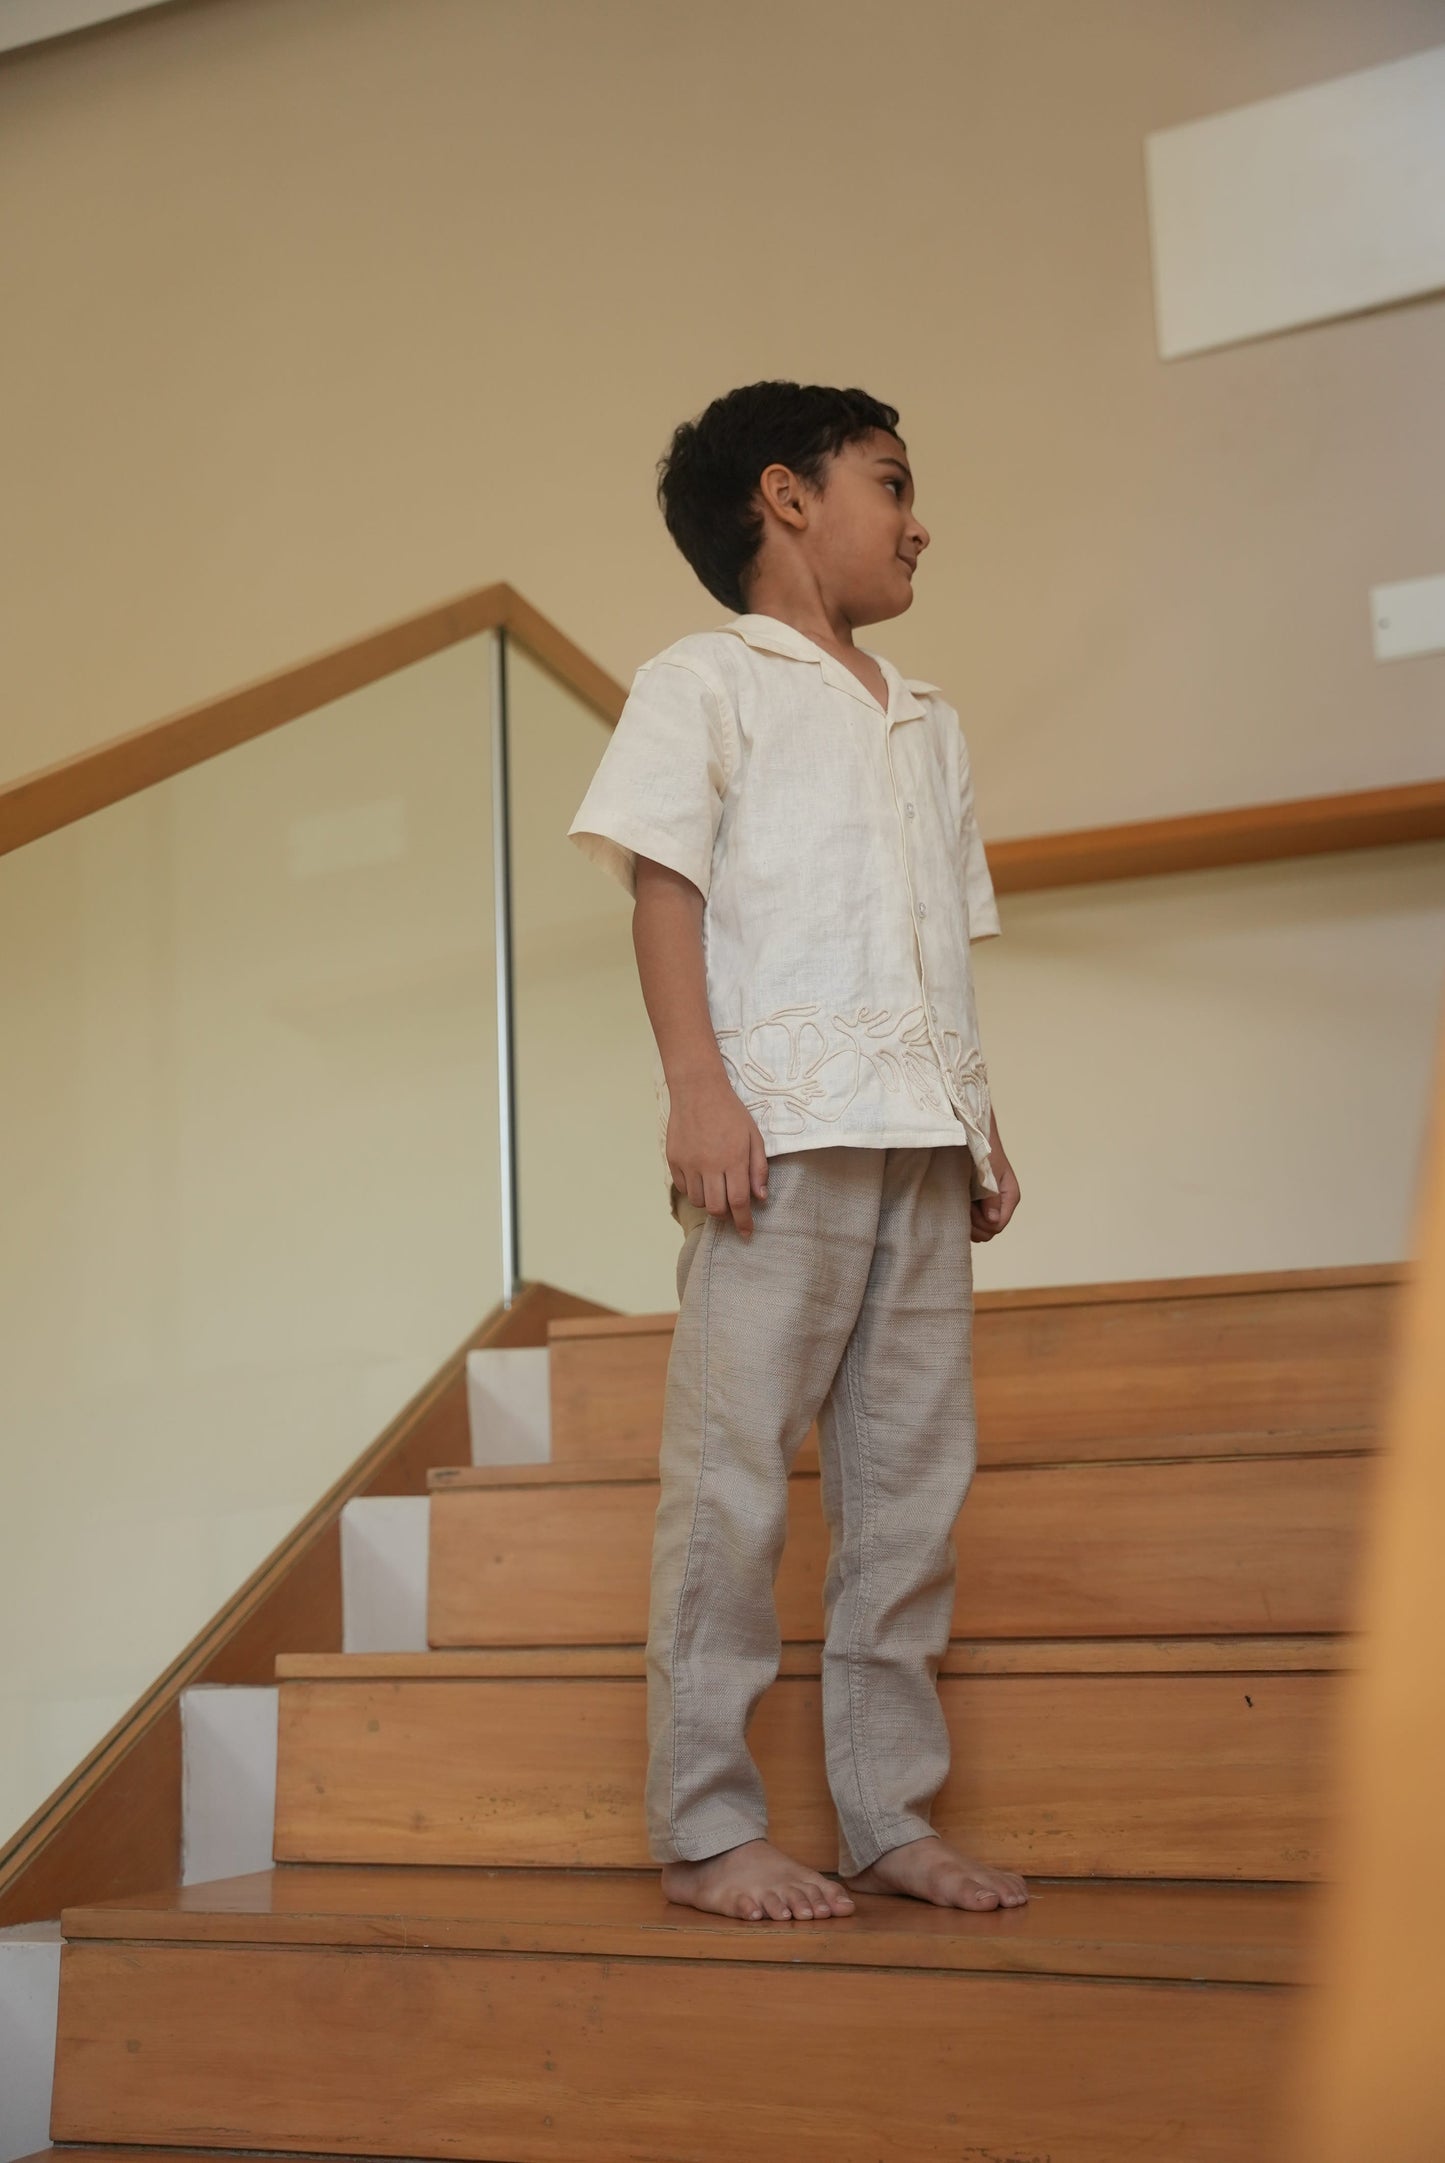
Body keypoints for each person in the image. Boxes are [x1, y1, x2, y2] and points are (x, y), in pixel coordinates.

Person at [568, 380, 1028, 1924]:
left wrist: (978, 1117)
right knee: (734, 1485)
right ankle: (704, 1826)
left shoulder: (927, 718)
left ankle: (885, 1809)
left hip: (916, 1139)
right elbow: (662, 890)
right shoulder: (706, 680)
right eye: (888, 482)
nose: (917, 520)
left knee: (908, 1492)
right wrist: (697, 1090)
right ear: (784, 496)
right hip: (774, 1138)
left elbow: (932, 951)